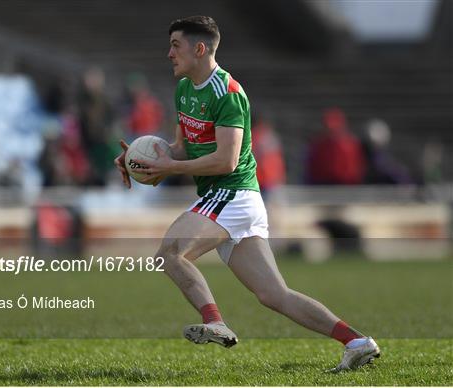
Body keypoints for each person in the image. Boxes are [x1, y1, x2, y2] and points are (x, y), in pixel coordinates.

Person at [114, 16, 380, 372]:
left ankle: (215, 321)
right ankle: (357, 342)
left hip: (232, 192)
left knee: (171, 252)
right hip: (233, 199)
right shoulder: (183, 90)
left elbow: (227, 160)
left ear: (199, 48)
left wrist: (170, 169)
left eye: (175, 45)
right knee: (274, 295)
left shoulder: (229, 93)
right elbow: (181, 148)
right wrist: (138, 161)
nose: (169, 53)